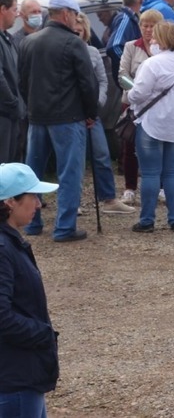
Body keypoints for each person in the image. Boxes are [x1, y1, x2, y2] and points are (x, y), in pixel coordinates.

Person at [20, 0, 99, 242]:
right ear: (65, 13)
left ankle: (31, 222)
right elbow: (88, 84)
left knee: (33, 172)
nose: (77, 21)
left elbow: (22, 81)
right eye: (75, 15)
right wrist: (90, 113)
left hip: (37, 117)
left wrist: (31, 106)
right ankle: (64, 227)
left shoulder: (29, 42)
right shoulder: (73, 43)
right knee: (69, 173)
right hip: (67, 117)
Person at [0, 163, 60, 417]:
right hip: (14, 379)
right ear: (10, 202)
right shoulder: (3, 249)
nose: (38, 204)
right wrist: (43, 335)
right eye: (33, 196)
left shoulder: (10, 241)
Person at [129, 21, 174, 233]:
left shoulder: (152, 64)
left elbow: (138, 93)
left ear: (163, 40)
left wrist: (129, 95)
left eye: (155, 37)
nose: (152, 40)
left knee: (150, 173)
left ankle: (147, 220)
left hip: (152, 123)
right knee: (171, 172)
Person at [76, 13, 134, 214]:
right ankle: (73, 202)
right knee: (74, 160)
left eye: (79, 31)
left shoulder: (92, 52)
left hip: (93, 114)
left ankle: (109, 199)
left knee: (101, 155)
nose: (77, 34)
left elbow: (102, 81)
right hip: (70, 115)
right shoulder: (61, 51)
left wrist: (98, 104)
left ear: (85, 31)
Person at [118, 9, 163, 205]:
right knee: (130, 146)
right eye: (144, 25)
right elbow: (122, 75)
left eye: (152, 26)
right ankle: (130, 187)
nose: (148, 29)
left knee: (158, 146)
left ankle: (159, 186)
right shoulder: (130, 47)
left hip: (158, 106)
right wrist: (139, 91)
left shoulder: (164, 48)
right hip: (133, 103)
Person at [0, 0, 25, 163]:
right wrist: (13, 103)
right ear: (3, 9)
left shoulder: (7, 39)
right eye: (14, 10)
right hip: (4, 115)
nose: (17, 15)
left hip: (11, 115)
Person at [106, 0, 143, 82]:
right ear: (141, 0)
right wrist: (130, 66)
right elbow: (114, 46)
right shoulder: (125, 19)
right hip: (127, 78)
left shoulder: (131, 18)